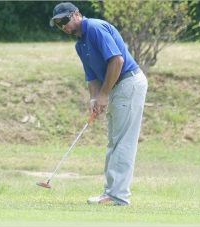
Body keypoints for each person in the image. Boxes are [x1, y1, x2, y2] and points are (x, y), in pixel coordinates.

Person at [50, 2, 148, 206]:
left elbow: (117, 61)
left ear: (76, 14)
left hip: (128, 83)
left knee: (123, 142)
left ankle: (118, 197)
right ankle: (110, 193)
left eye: (65, 20)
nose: (63, 26)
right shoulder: (80, 44)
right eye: (59, 24)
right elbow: (92, 76)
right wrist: (95, 98)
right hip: (116, 87)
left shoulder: (94, 28)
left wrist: (104, 95)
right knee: (115, 141)